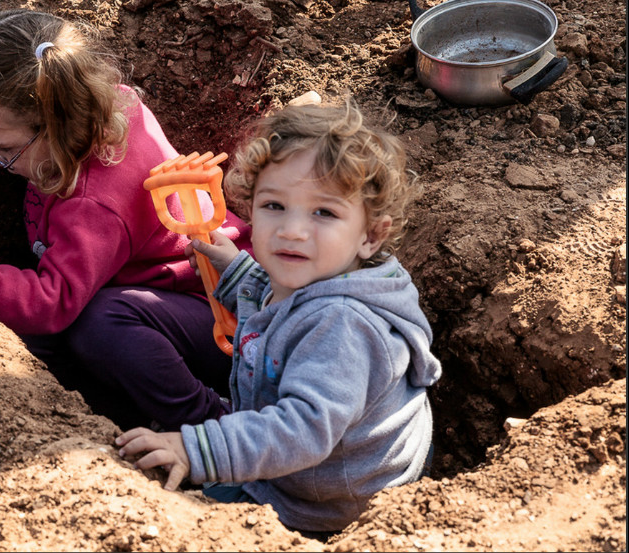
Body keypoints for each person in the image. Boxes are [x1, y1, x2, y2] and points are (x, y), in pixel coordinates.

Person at [0, 8, 251, 431]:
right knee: (34, 339)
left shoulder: (95, 203)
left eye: (0, 147)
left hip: (226, 317)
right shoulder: (96, 104)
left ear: (55, 127)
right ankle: (116, 411)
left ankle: (211, 424)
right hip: (159, 299)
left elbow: (52, 304)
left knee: (98, 324)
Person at [115, 98, 442, 534]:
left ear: (371, 235)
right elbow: (279, 299)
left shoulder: (342, 324)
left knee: (163, 506)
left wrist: (195, 449)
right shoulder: (315, 275)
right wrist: (236, 272)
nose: (291, 229)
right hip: (334, 468)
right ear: (250, 206)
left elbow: (302, 429)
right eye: (274, 206)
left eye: (324, 212)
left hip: (330, 502)